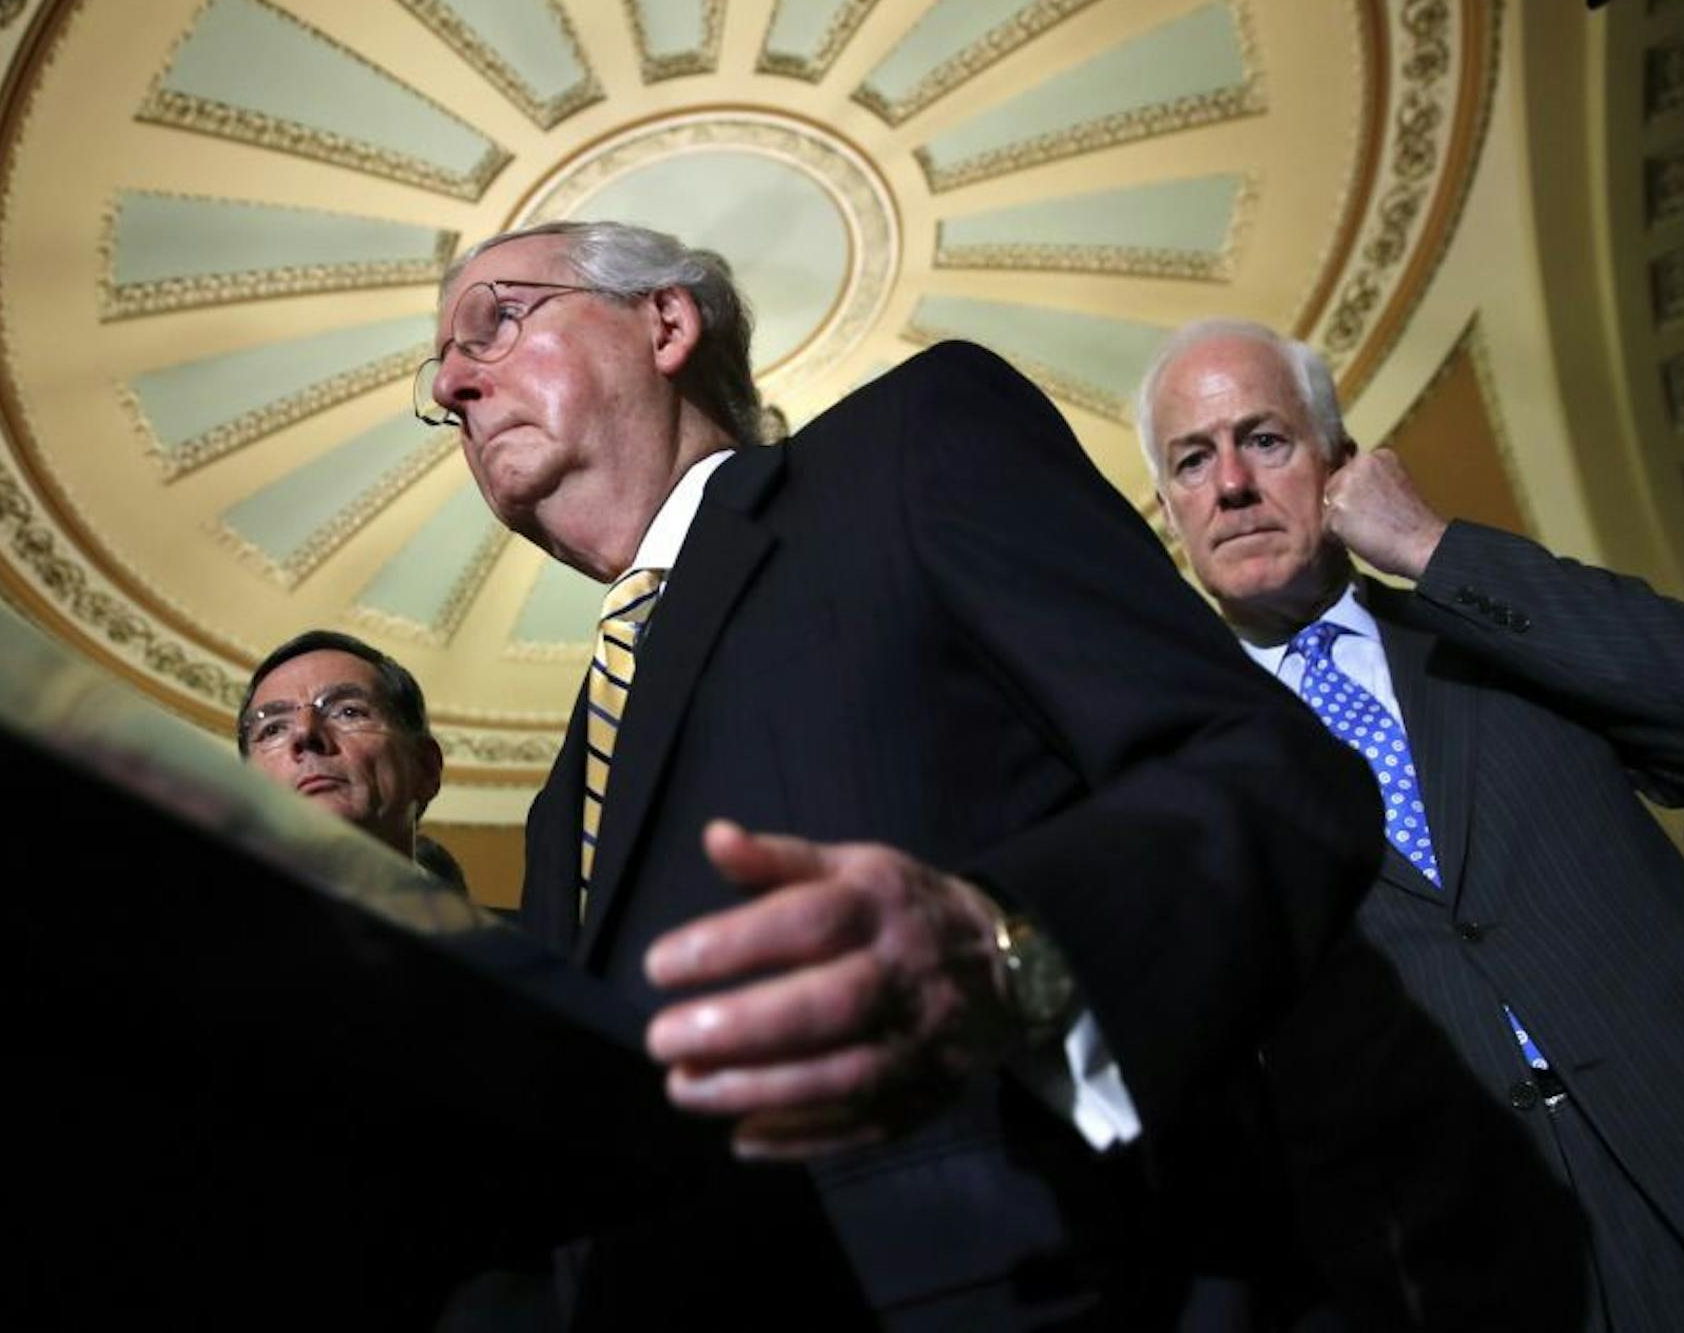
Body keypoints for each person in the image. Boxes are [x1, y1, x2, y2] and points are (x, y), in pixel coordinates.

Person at [420, 221, 1390, 1327]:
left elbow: (1264, 771)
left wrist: (1012, 951)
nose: (454, 382)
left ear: (666, 321)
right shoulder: (563, 805)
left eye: (496, 320)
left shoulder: (906, 444)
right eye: (443, 374)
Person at [1136, 318, 1684, 1333]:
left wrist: (1429, 546)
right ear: (1172, 511)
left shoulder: (1491, 629)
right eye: (1194, 459)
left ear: (1339, 463)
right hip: (1476, 1270)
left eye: (1265, 439)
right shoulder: (1173, 765)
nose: (1231, 482)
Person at [237, 630, 461, 894]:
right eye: (273, 729)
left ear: (426, 768)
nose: (305, 733)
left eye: (348, 712)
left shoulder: (503, 935)